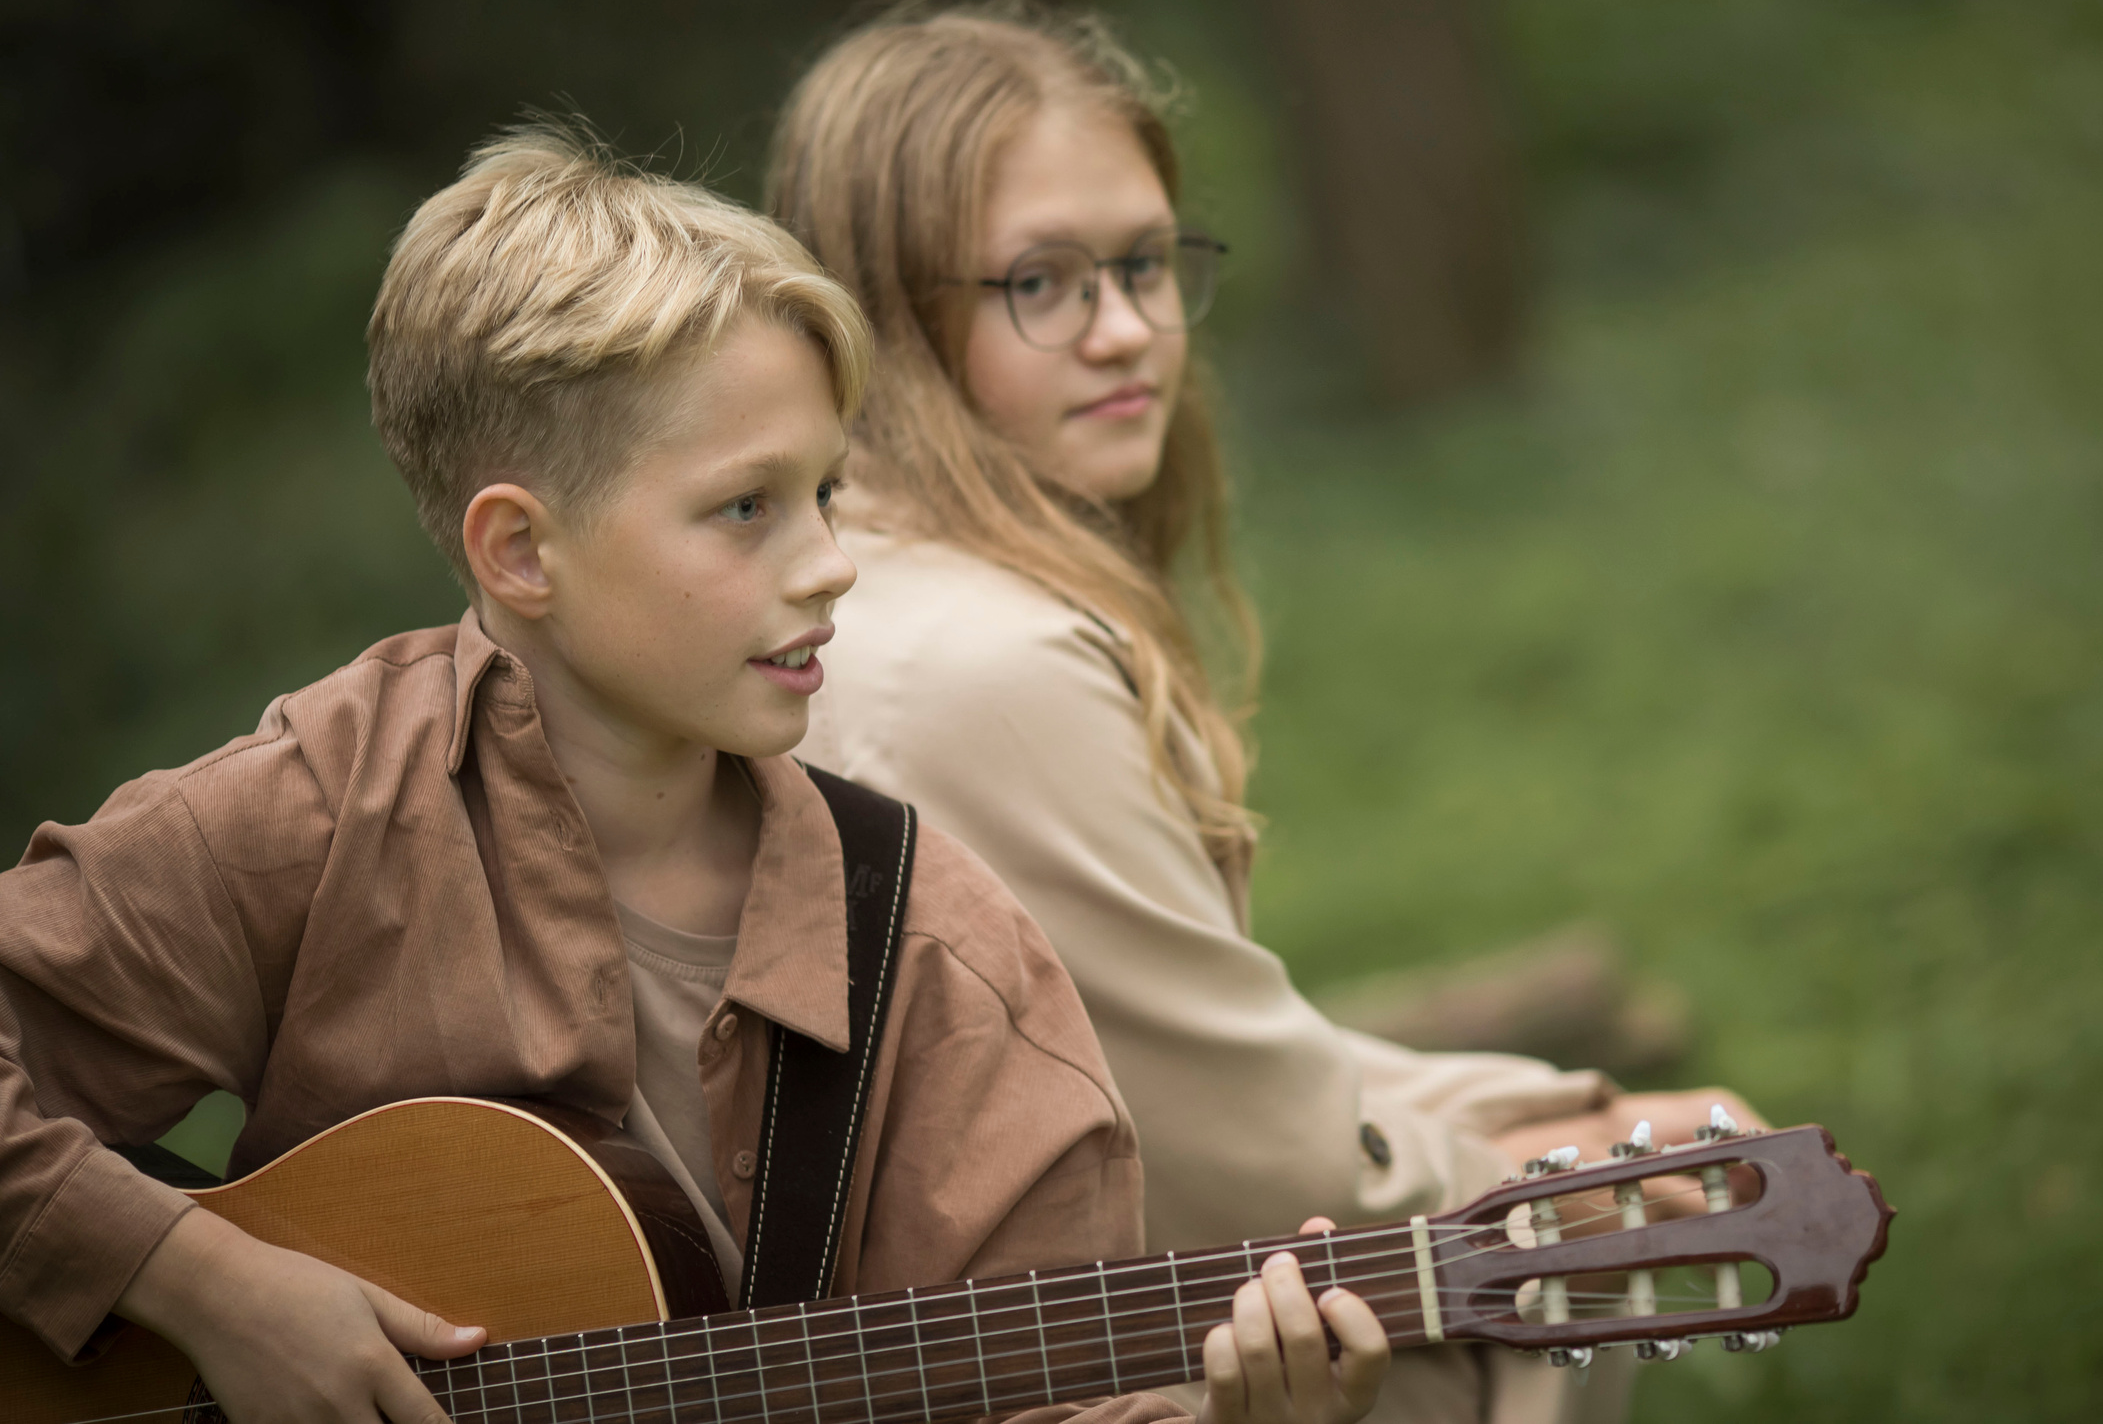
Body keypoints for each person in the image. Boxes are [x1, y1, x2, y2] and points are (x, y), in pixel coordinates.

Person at [0, 127, 1386, 1424]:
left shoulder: (935, 961)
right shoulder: (316, 814)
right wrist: (204, 1284)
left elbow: (1059, 1392)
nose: (830, 561)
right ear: (521, 554)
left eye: (828, 492)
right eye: (747, 508)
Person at [771, 0, 1770, 1424]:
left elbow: (1210, 1058)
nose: (1125, 330)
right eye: (1041, 283)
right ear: (890, 316)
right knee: (1518, 1319)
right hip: (1029, 1371)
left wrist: (1549, 1115)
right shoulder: (980, 663)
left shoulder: (874, 581)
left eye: (1146, 263)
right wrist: (1560, 1179)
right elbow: (1262, 1168)